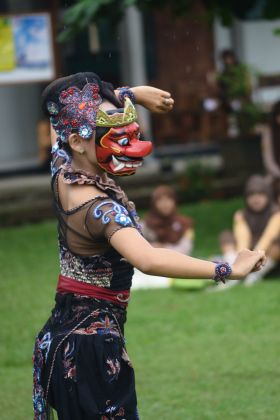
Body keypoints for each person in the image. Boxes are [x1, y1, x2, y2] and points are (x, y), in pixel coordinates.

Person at [33, 72, 266, 420]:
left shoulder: (63, 170)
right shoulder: (101, 210)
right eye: (114, 135)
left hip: (64, 335)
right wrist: (227, 268)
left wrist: (134, 95)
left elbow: (63, 124)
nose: (129, 144)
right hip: (91, 350)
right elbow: (149, 259)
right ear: (78, 141)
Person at [233, 175, 280, 286]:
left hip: (266, 254)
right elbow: (242, 240)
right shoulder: (241, 215)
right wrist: (241, 259)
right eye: (251, 195)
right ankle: (232, 272)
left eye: (260, 194)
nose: (256, 198)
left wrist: (254, 259)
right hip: (247, 252)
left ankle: (253, 276)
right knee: (226, 237)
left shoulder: (276, 213)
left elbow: (269, 237)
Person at [142, 185, 194, 255]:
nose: (165, 204)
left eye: (168, 199)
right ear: (154, 204)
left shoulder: (185, 224)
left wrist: (163, 248)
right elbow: (138, 248)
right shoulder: (145, 225)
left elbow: (186, 249)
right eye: (160, 200)